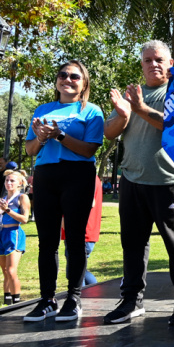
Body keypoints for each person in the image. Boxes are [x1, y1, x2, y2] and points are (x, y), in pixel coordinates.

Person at [103, 41, 174, 326]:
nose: (153, 64)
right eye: (147, 60)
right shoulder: (131, 95)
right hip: (132, 181)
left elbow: (173, 125)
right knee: (132, 245)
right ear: (141, 64)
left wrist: (140, 107)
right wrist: (123, 114)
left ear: (169, 63)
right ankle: (131, 301)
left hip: (169, 183)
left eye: (159, 59)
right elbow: (109, 133)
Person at [23, 60, 104, 322]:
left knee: (75, 239)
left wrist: (58, 135)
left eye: (75, 77)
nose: (67, 80)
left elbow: (90, 150)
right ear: (56, 80)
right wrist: (42, 137)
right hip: (46, 175)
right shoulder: (43, 109)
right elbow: (31, 150)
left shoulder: (91, 111)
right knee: (46, 241)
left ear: (84, 84)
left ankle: (73, 297)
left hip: (77, 175)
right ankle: (47, 299)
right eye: (63, 75)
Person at [62, 176, 103, 287]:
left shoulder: (87, 176)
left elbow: (89, 201)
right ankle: (94, 291)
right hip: (79, 232)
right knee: (79, 270)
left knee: (75, 272)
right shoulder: (88, 176)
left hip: (81, 232)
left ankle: (82, 297)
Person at [0, 170, 30, 306]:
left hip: (14, 234)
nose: (9, 183)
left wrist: (7, 210)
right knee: (5, 271)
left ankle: (17, 302)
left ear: (20, 183)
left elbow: (24, 219)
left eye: (12, 180)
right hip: (2, 233)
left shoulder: (22, 197)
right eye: (7, 180)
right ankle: (7, 301)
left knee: (11, 271)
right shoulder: (3, 198)